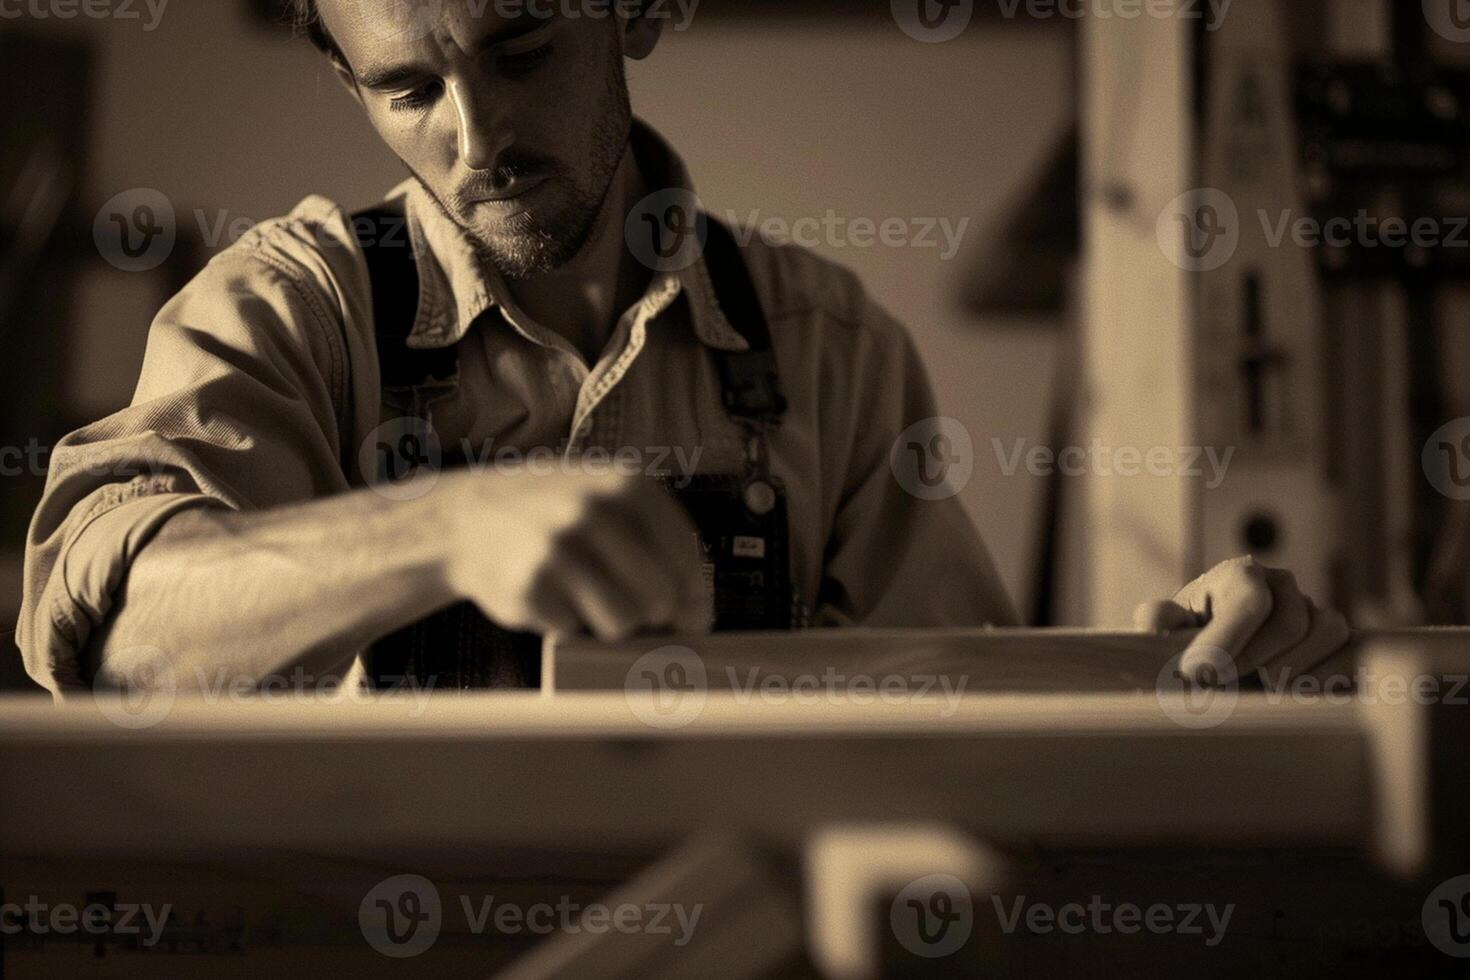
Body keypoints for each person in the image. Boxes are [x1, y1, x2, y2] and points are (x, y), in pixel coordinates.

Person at [15, 0, 1347, 695]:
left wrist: (1181, 659)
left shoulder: (825, 345)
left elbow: (952, 702)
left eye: (523, 51)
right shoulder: (284, 314)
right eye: (409, 91)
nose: (476, 144)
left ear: (635, 10)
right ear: (347, 82)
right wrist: (447, 527)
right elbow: (127, 643)